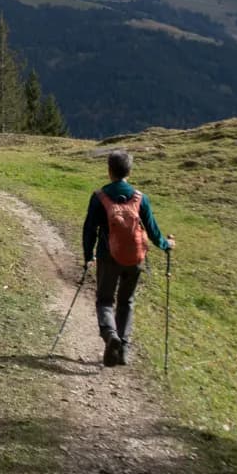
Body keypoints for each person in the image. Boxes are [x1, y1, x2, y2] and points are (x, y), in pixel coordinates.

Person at [82, 149, 175, 367]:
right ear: (129, 171)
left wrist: (88, 255)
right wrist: (166, 244)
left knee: (105, 300)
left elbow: (89, 230)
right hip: (135, 258)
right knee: (127, 301)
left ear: (109, 171)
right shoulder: (140, 198)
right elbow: (152, 231)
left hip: (107, 257)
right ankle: (123, 347)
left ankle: (110, 335)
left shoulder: (99, 197)